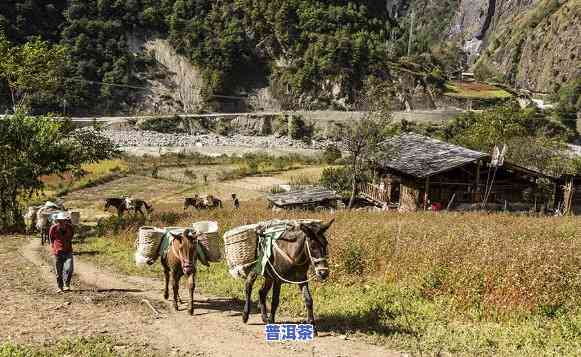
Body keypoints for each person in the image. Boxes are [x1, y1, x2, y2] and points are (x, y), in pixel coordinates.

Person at [49, 212, 74, 293]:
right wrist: (54, 247)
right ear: (58, 221)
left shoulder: (70, 227)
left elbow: (71, 236)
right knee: (58, 272)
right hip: (57, 252)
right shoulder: (53, 228)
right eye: (60, 220)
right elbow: (51, 238)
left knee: (69, 269)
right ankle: (60, 287)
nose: (61, 222)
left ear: (66, 221)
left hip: (68, 251)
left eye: (63, 220)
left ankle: (67, 285)